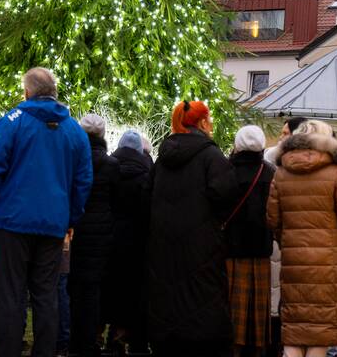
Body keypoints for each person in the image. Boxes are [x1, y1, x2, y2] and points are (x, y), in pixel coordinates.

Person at [0, 67, 93, 357]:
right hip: (53, 223)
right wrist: (71, 218)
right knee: (47, 295)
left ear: (27, 92)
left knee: (11, 295)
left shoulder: (11, 122)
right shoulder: (75, 131)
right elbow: (83, 180)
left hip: (12, 222)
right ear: (54, 92)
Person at [145, 100, 237, 355]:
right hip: (202, 247)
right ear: (202, 122)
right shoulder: (211, 156)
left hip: (163, 247)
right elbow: (226, 195)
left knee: (168, 300)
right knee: (202, 302)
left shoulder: (162, 159)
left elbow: (147, 196)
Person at [267, 119, 337, 357]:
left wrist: (287, 241)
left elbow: (273, 219)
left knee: (295, 328)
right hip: (328, 262)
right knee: (322, 329)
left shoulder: (281, 172)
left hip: (294, 260)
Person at [68, 113, 119, 357]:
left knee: (72, 287)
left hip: (75, 229)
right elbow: (116, 201)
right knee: (92, 289)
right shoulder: (111, 165)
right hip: (100, 235)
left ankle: (72, 339)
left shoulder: (72, 161)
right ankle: (88, 341)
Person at [225, 125, 276, 357]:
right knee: (257, 318)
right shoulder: (270, 173)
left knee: (232, 313)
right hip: (261, 253)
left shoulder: (225, 171)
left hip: (230, 253)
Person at [104, 129, 153, 353]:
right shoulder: (148, 174)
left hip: (111, 240)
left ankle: (112, 338)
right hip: (139, 243)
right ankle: (137, 341)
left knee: (111, 290)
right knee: (137, 293)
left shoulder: (109, 170)